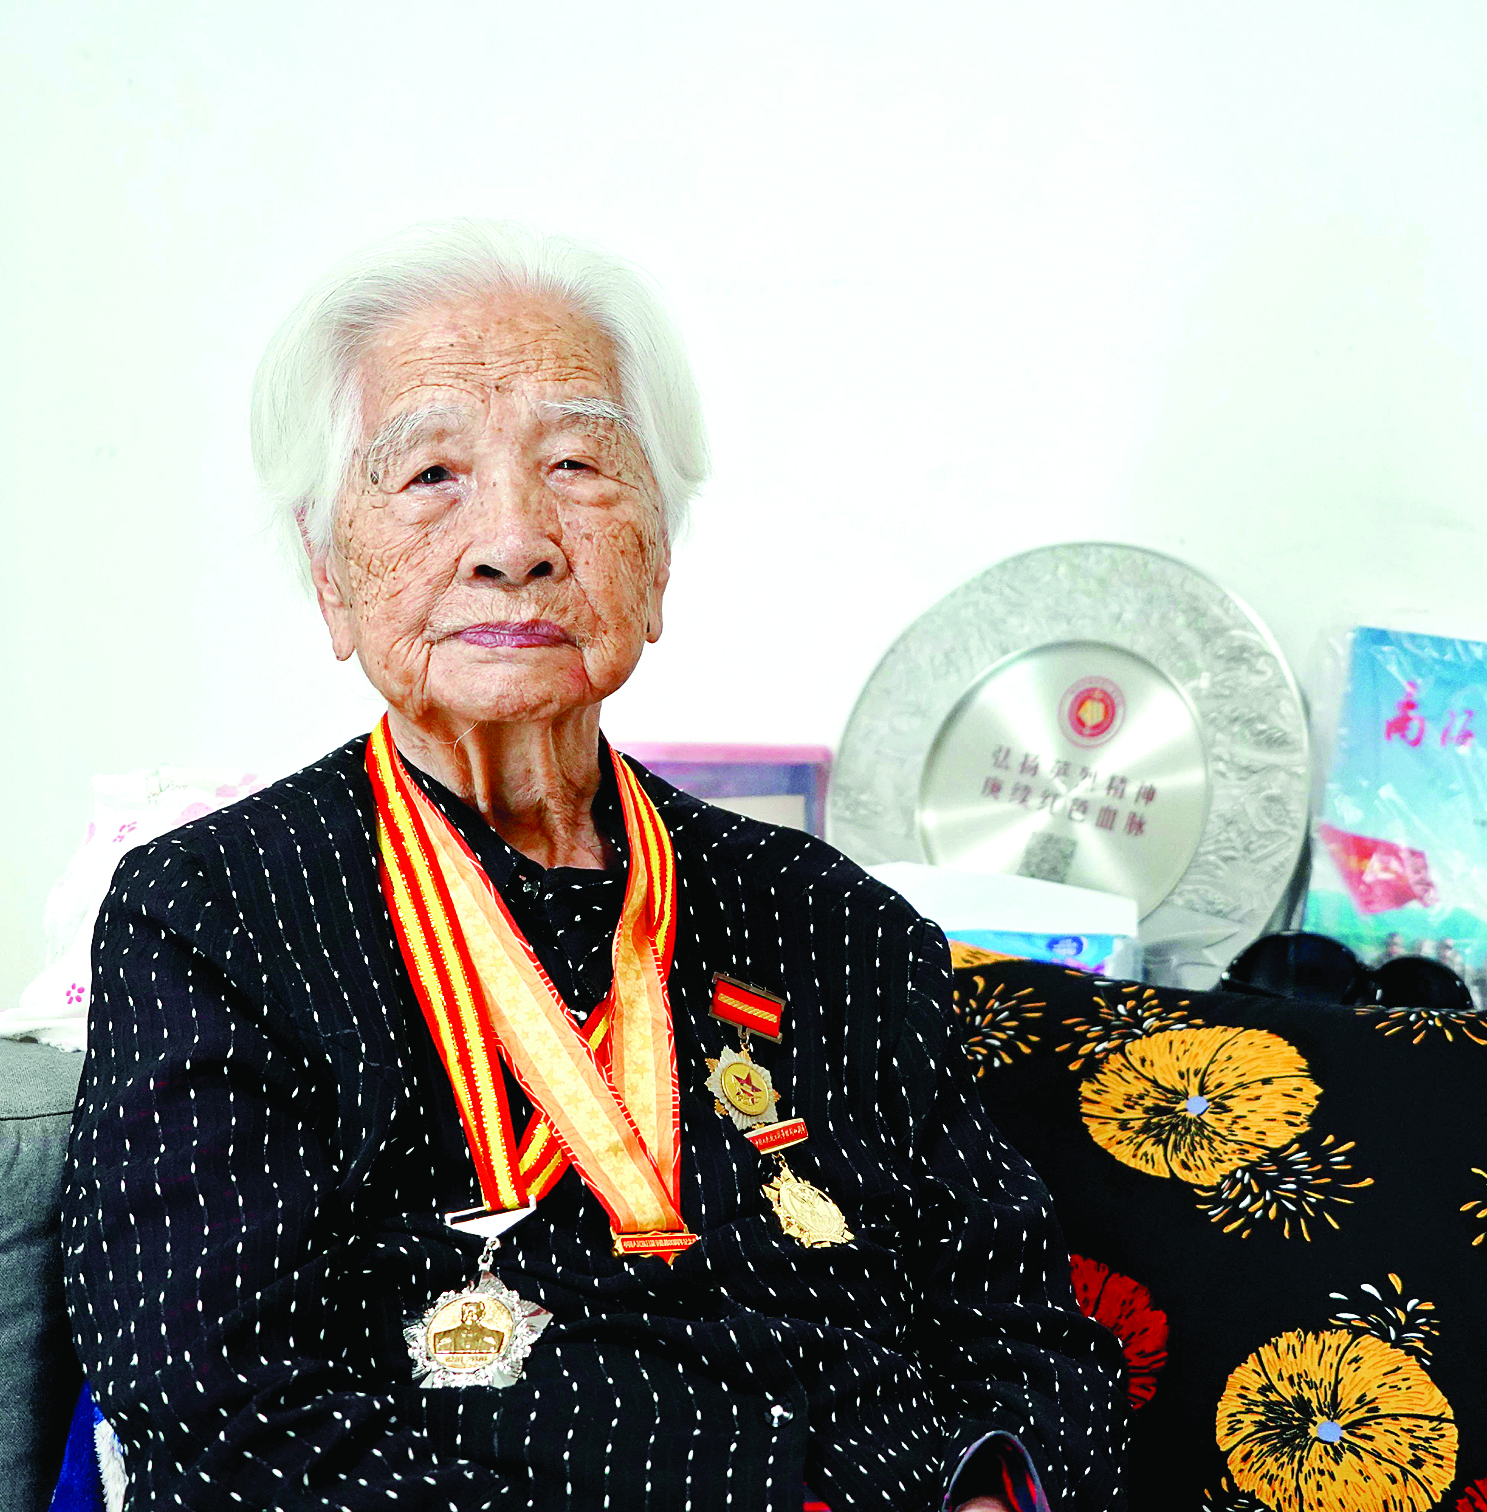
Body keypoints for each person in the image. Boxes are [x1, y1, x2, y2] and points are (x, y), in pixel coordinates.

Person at [58, 220, 1127, 1511]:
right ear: (329, 573)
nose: (514, 540)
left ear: (658, 559)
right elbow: (223, 1402)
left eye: (574, 464)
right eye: (431, 474)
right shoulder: (217, 916)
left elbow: (1032, 1341)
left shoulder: (837, 923)